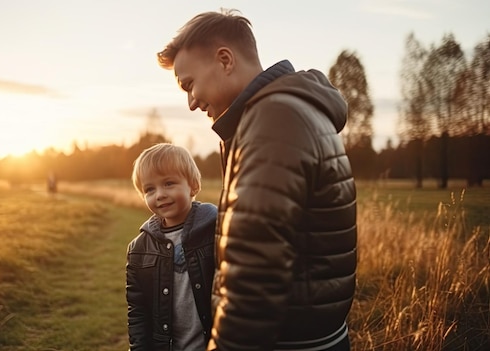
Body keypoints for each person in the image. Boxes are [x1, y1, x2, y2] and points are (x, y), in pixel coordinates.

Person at [157, 9, 357, 351]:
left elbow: (254, 276)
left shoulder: (274, 118)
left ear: (224, 60)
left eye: (189, 84)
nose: (190, 103)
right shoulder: (285, 110)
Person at [126, 143, 218, 351]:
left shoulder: (216, 231)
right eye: (150, 189)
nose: (159, 194)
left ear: (193, 186)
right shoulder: (138, 250)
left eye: (168, 183)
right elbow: (138, 311)